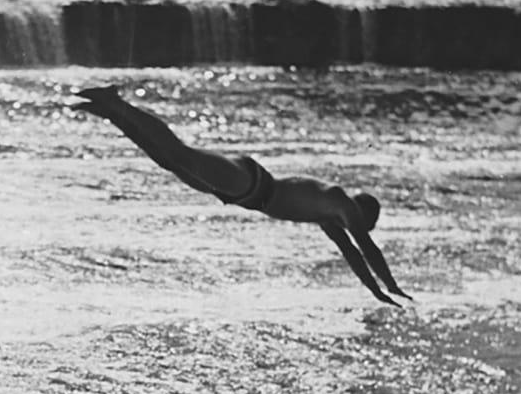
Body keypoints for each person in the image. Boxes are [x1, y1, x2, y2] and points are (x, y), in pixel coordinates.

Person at [73, 85, 412, 306]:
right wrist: (392, 285)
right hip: (251, 182)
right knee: (179, 153)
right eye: (363, 224)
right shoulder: (340, 200)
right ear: (363, 213)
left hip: (244, 195)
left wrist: (375, 291)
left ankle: (113, 113)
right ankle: (117, 102)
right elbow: (366, 247)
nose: (358, 228)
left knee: (168, 161)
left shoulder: (330, 218)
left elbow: (351, 253)